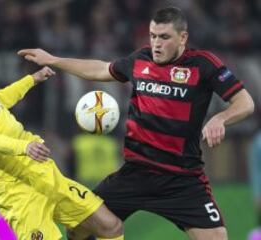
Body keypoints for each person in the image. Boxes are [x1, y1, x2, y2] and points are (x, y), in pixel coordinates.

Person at [18, 7, 255, 240]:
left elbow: (245, 102)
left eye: (164, 37)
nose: (156, 44)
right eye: (153, 36)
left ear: (183, 37)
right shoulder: (140, 60)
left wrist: (220, 118)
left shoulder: (203, 64)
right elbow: (101, 69)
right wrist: (53, 60)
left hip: (182, 180)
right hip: (135, 174)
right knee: (79, 227)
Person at [0, 32, 124, 240]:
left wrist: (31, 80)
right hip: (18, 189)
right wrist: (23, 147)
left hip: (43, 171)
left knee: (110, 227)